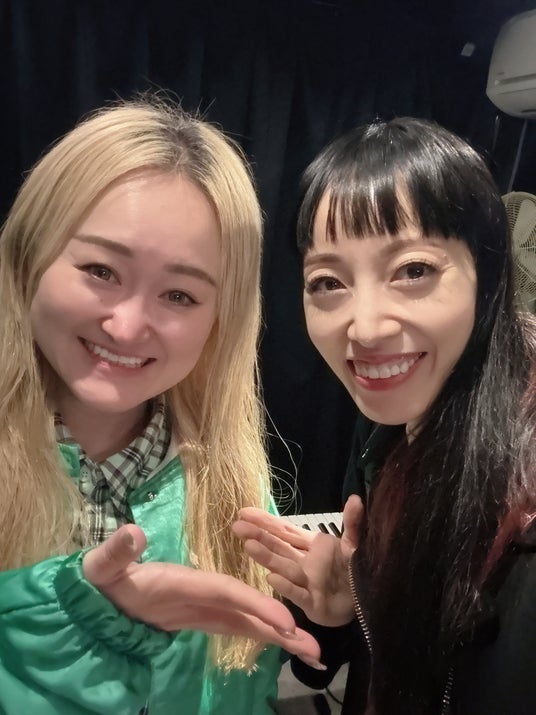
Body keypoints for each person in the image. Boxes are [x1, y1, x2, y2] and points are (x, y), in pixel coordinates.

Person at [0, 97, 321, 715]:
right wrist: (62, 616)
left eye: (179, 295)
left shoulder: (234, 488)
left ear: (221, 318)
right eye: (101, 270)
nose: (126, 327)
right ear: (29, 258)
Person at [233, 117, 536, 715]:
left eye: (413, 271)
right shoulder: (388, 432)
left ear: (489, 276)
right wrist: (347, 611)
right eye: (328, 282)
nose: (365, 329)